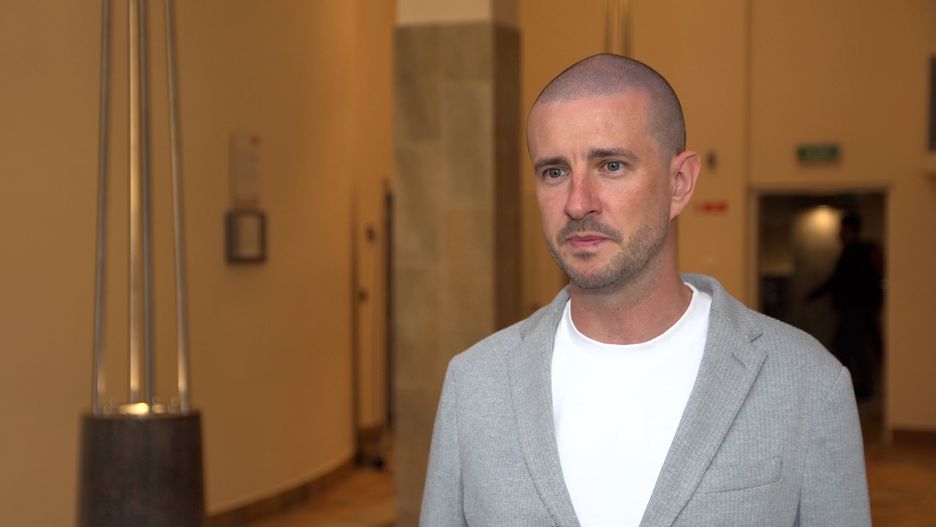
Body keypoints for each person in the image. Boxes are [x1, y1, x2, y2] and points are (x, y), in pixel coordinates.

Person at [420, 54, 871, 526]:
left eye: (611, 165)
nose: (577, 203)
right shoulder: (475, 385)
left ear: (679, 183)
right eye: (554, 172)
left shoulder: (806, 382)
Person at [806, 212, 884, 399]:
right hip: (860, 310)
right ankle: (859, 388)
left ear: (849, 230)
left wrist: (813, 295)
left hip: (854, 311)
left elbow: (837, 280)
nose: (839, 234)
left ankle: (856, 389)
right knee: (855, 348)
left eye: (842, 229)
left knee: (850, 348)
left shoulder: (853, 253)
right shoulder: (858, 252)